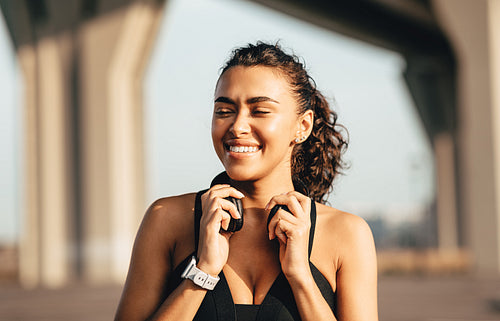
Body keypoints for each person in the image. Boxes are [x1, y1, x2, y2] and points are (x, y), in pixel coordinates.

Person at [114, 42, 378, 321]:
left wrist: (301, 277)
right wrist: (202, 273)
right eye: (224, 111)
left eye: (260, 111)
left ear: (302, 126)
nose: (237, 126)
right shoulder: (166, 220)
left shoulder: (347, 234)